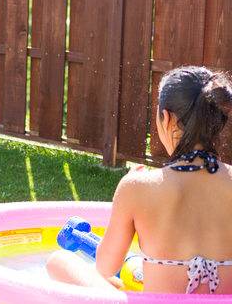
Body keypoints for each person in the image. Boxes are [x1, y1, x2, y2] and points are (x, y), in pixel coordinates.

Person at [46, 66, 232, 294]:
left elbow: (105, 266)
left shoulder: (139, 188)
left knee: (60, 260)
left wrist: (126, 192)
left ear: (166, 118)